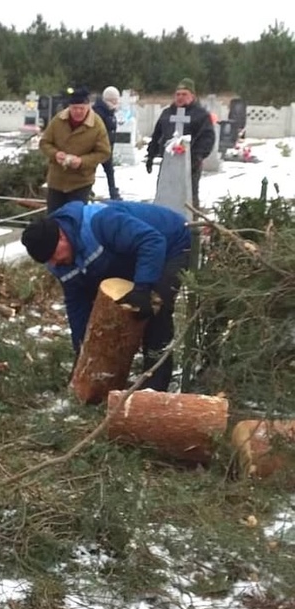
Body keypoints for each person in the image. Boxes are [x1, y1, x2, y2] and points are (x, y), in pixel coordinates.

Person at [20, 200, 191, 392]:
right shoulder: (59, 261)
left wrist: (142, 288)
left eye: (53, 256)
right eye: (48, 261)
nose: (54, 263)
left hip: (171, 243)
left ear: (61, 236)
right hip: (130, 254)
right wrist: (82, 349)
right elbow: (77, 304)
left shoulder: (100, 222)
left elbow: (152, 241)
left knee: (155, 308)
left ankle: (155, 384)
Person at [146, 78, 216, 209]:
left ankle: (191, 218)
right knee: (165, 192)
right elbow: (157, 135)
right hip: (168, 162)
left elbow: (207, 138)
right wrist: (151, 155)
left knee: (189, 195)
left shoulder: (201, 115)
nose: (180, 97)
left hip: (191, 162)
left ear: (192, 96)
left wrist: (197, 156)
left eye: (184, 94)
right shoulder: (167, 114)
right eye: (178, 94)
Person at [39, 87, 111, 212]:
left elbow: (104, 153)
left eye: (81, 108)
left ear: (88, 107)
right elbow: (44, 143)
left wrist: (82, 161)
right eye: (74, 108)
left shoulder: (97, 125)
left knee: (75, 217)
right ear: (69, 107)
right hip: (57, 180)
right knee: (54, 218)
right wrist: (55, 154)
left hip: (81, 182)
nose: (78, 112)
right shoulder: (58, 120)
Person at [92, 86, 122, 200]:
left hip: (108, 146)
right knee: (92, 170)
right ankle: (89, 190)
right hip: (98, 147)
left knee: (109, 170)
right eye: (115, 100)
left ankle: (113, 192)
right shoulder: (99, 112)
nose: (117, 102)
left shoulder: (109, 111)